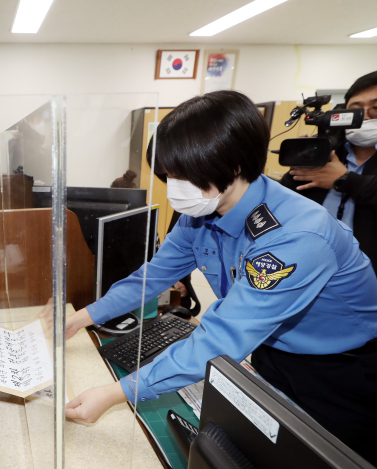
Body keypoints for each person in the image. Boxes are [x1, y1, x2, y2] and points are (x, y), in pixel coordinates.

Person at [63, 91, 377, 464]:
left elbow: (224, 336)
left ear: (232, 166)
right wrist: (78, 319)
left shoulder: (296, 236)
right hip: (270, 348)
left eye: (184, 174)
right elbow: (152, 277)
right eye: (168, 173)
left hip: (339, 369)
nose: (174, 185)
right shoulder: (202, 212)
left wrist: (118, 392)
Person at [281, 71, 377, 274]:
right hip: (313, 267)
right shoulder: (330, 151)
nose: (365, 115)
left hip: (368, 275)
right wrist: (300, 163)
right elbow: (286, 200)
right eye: (356, 109)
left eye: (375, 108)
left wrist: (343, 180)